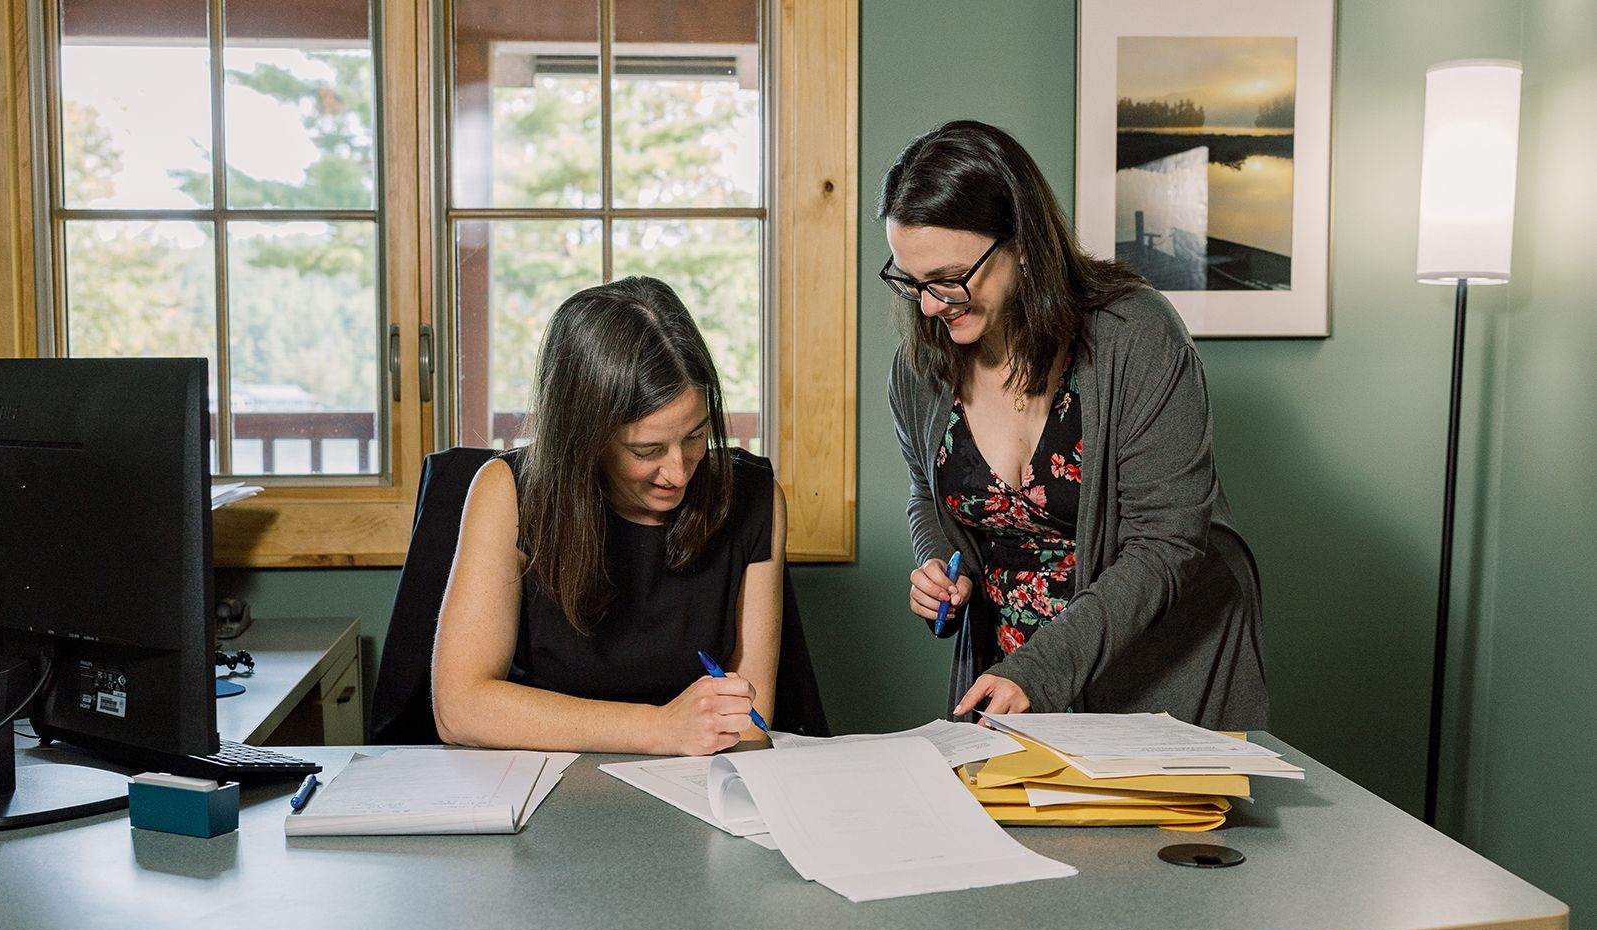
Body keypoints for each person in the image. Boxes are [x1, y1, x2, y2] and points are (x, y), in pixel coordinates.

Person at [878, 120, 1268, 730]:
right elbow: (927, 490)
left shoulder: (1135, 338)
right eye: (912, 281)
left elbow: (1165, 542)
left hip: (1165, 670)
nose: (929, 305)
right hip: (1015, 673)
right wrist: (938, 568)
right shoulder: (921, 366)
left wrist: (1041, 669)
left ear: (1024, 244)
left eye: (950, 278)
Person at [432, 276, 786, 755]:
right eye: (648, 449)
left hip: (697, 781)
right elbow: (459, 707)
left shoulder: (753, 495)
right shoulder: (509, 492)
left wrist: (686, 733)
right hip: (540, 781)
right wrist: (661, 729)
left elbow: (750, 721)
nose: (679, 472)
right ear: (586, 439)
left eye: (696, 436)